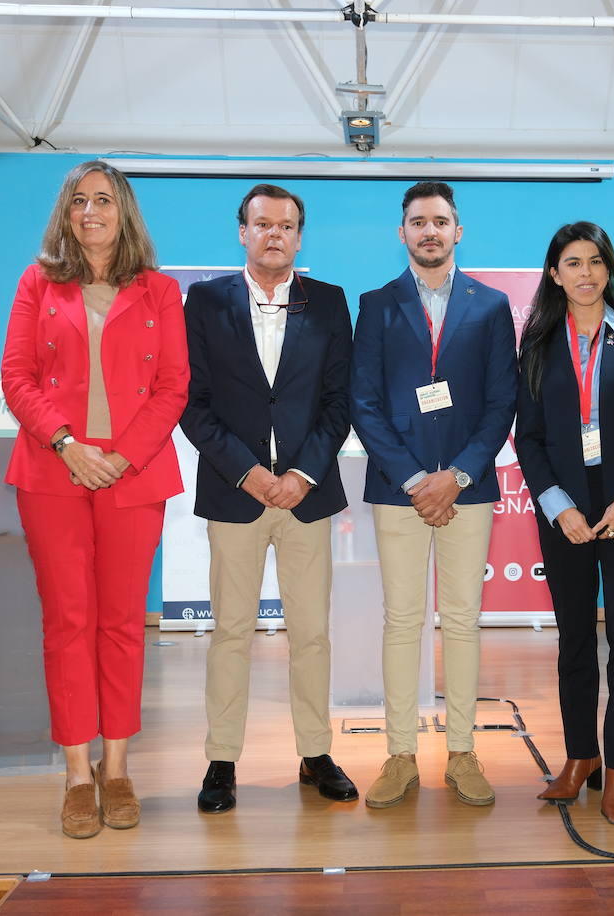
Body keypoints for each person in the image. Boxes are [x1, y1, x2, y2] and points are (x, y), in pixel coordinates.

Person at [1, 160, 189, 838]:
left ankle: (117, 768)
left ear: (123, 212)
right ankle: (77, 774)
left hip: (132, 471)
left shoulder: (161, 291)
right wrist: (67, 444)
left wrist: (120, 456)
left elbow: (173, 386)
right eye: (78, 200)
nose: (90, 211)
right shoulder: (37, 283)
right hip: (55, 469)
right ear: (66, 213)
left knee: (120, 623)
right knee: (68, 622)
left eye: (103, 200)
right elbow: (16, 375)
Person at [179, 183, 357, 813]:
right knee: (231, 632)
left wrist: (302, 474)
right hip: (237, 494)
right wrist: (249, 473)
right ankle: (222, 760)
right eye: (263, 224)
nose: (275, 233)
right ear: (243, 232)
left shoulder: (329, 303)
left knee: (311, 633)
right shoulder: (204, 301)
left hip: (306, 496)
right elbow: (191, 406)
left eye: (287, 225)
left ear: (299, 237)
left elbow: (341, 402)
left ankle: (315, 753)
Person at [350, 180, 518, 808]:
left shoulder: (493, 305)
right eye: (417, 221)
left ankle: (463, 753)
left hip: (467, 491)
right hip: (400, 491)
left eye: (440, 221)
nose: (429, 231)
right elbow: (363, 402)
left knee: (465, 623)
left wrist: (460, 475)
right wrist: (418, 479)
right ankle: (399, 756)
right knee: (402, 622)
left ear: (458, 231)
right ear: (403, 233)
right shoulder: (377, 304)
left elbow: (503, 401)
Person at [515, 222, 614, 824]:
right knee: (575, 639)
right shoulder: (536, 343)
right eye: (572, 263)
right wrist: (560, 507)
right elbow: (527, 438)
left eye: (596, 261)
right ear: (554, 274)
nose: (585, 273)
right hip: (566, 509)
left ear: (609, 269)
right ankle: (581, 758)